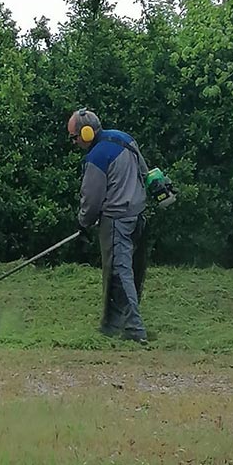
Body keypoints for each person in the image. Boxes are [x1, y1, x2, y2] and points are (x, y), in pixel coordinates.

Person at [67, 107, 150, 344]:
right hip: (138, 216)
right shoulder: (125, 139)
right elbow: (145, 172)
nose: (74, 143)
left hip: (117, 220)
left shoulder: (97, 157)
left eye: (74, 138)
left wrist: (83, 222)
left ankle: (134, 328)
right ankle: (112, 325)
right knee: (129, 271)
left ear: (86, 133)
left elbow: (91, 199)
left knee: (118, 272)